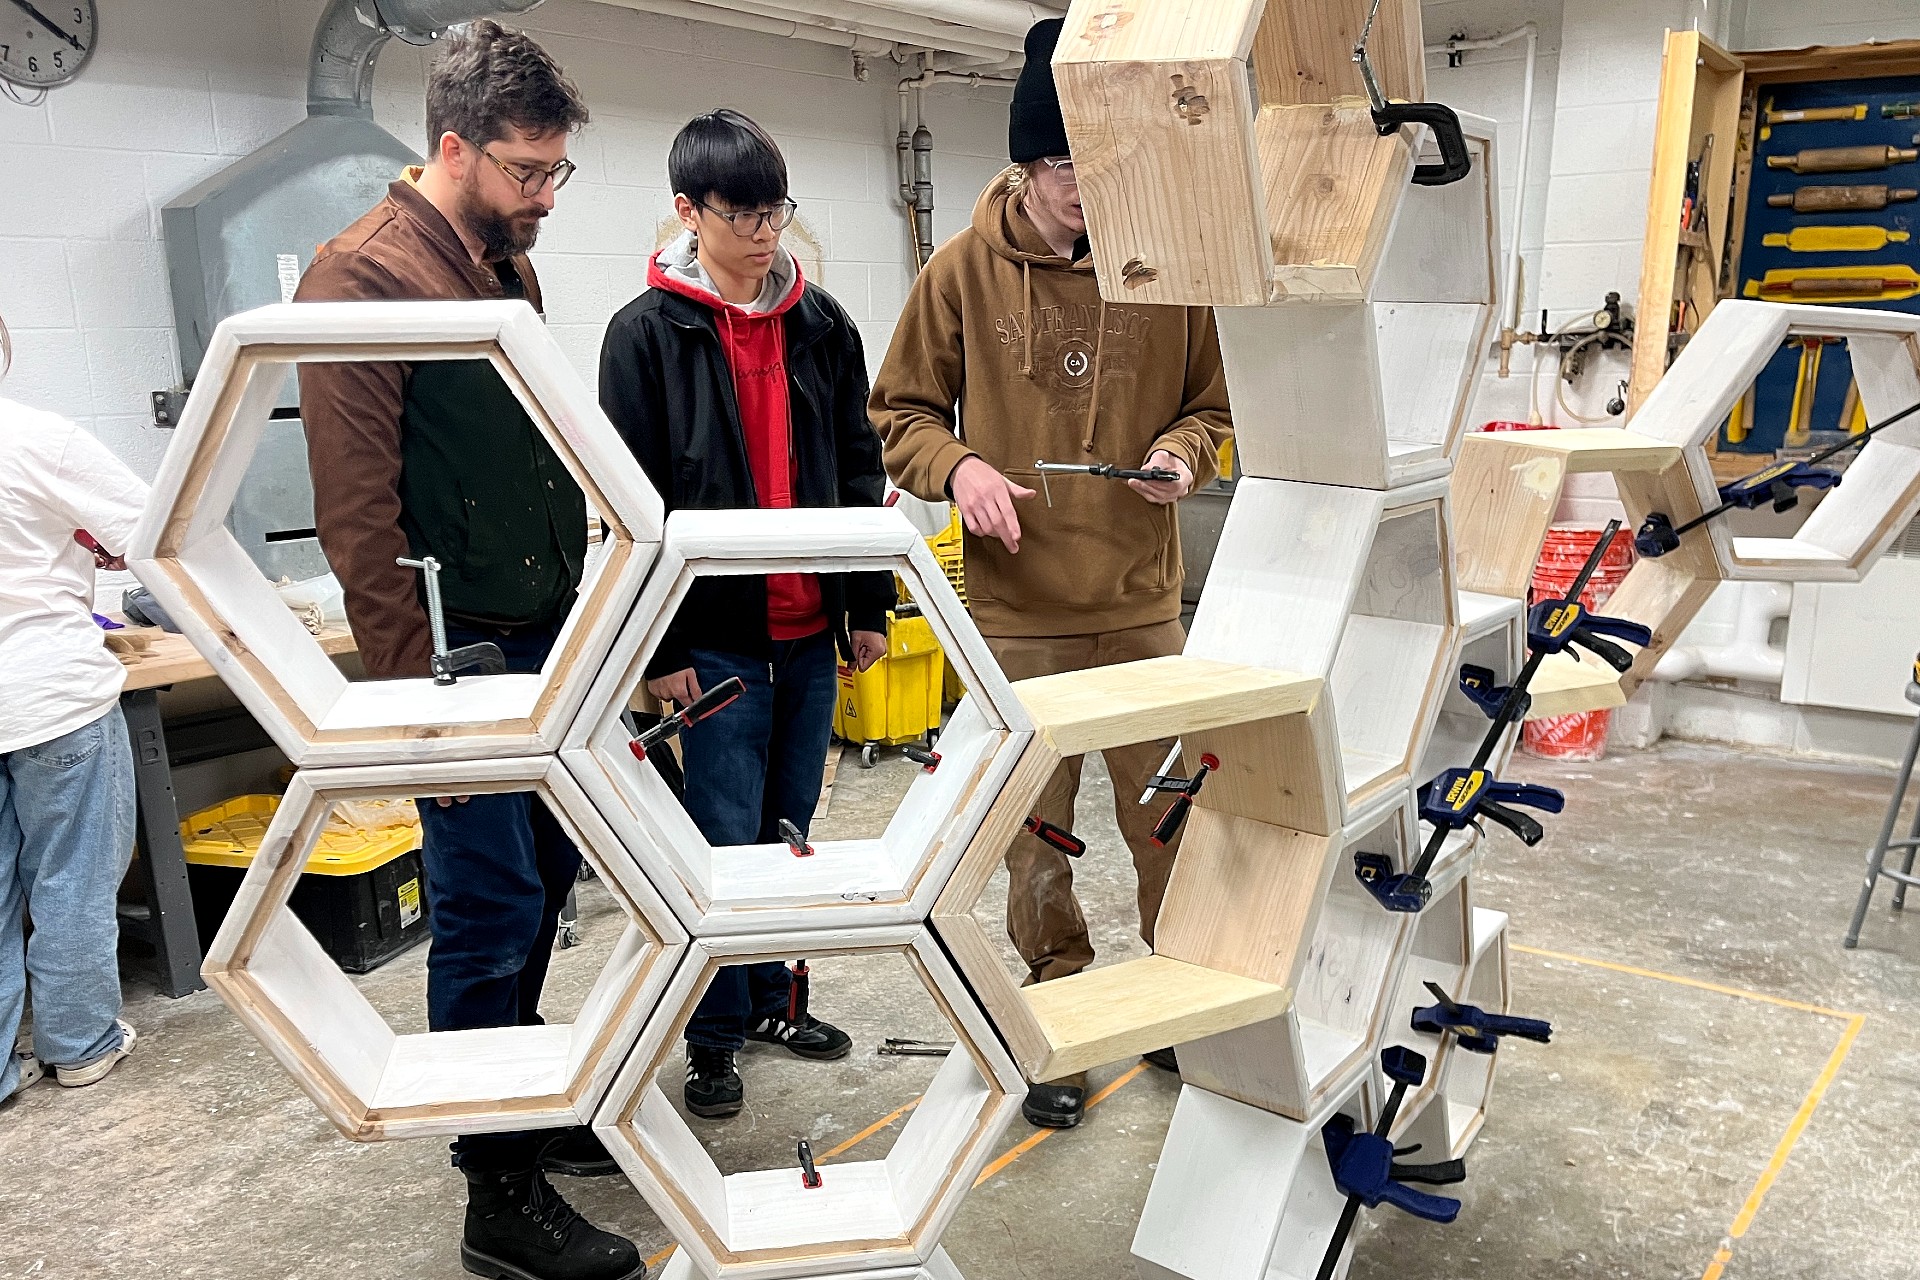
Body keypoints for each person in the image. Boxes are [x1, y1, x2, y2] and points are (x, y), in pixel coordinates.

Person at [292, 23, 642, 1280]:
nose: (545, 195)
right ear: (453, 145)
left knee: (544, 879)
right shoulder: (360, 279)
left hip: (541, 632)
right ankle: (496, 1191)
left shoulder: (500, 261)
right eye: (527, 171)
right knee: (487, 906)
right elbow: (356, 514)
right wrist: (413, 719)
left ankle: (523, 1099)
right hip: (456, 654)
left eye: (558, 173)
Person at [869, 18, 1233, 1131]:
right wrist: (962, 465)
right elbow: (899, 417)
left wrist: (1185, 453)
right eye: (1066, 167)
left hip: (1139, 605)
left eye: (1102, 167)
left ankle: (1173, 1000)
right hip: (1018, 614)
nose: (1086, 190)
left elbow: (1217, 405)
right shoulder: (959, 273)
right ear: (1025, 166)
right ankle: (1061, 1013)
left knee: (1174, 815)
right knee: (1039, 831)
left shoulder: (1167, 267)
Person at [599, 109, 889, 1122]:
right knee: (718, 847)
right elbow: (631, 505)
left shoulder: (824, 327)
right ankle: (711, 1037)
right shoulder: (647, 336)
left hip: (811, 631)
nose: (765, 232)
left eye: (776, 211)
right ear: (688, 210)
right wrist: (660, 648)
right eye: (742, 213)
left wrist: (867, 602)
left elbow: (860, 471)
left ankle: (776, 1000)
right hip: (714, 642)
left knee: (789, 829)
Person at [0, 312, 145, 1109]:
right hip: (49, 693)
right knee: (72, 879)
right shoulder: (36, 438)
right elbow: (157, 527)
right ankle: (81, 1043)